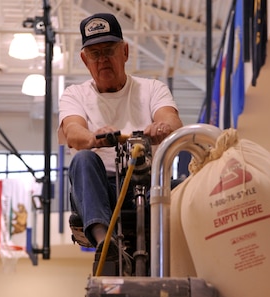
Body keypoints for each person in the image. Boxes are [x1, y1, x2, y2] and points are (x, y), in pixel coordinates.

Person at [58, 12, 183, 274]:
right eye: (94, 53)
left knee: (189, 184)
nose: (102, 58)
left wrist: (162, 128)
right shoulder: (74, 94)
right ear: (84, 59)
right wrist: (93, 138)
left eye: (109, 49)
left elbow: (171, 120)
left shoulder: (152, 89)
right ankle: (107, 246)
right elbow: (72, 131)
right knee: (82, 159)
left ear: (124, 52)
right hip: (102, 192)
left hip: (149, 187)